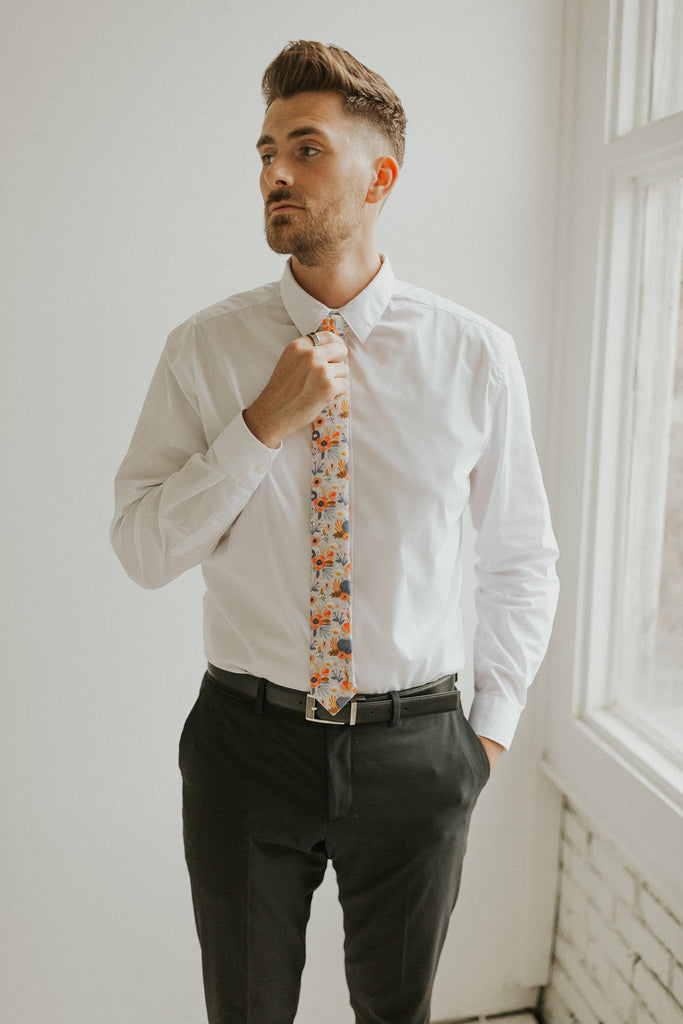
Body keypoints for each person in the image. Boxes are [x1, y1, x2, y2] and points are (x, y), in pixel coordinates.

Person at [111, 39, 559, 1024]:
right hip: (245, 746)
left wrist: (487, 733)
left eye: (305, 148)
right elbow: (143, 548)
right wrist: (257, 427)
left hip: (417, 750)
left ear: (379, 178)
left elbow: (521, 556)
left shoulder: (474, 355)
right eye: (266, 151)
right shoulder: (204, 350)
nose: (274, 172)